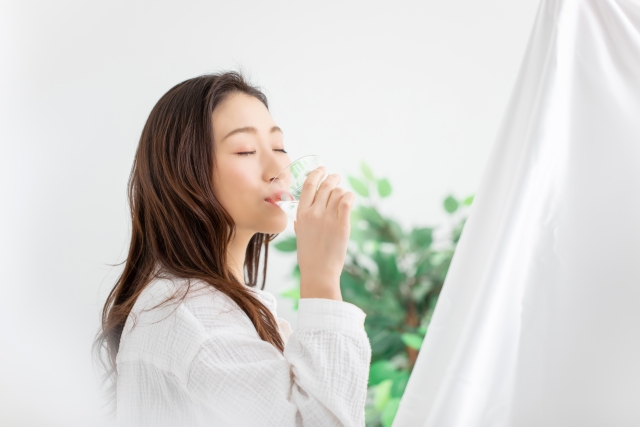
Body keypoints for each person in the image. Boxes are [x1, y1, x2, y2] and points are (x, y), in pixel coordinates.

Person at [92, 71, 372, 427]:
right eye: (245, 150)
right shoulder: (193, 321)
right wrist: (321, 278)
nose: (278, 170)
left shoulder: (201, 308)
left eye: (279, 147)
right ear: (185, 174)